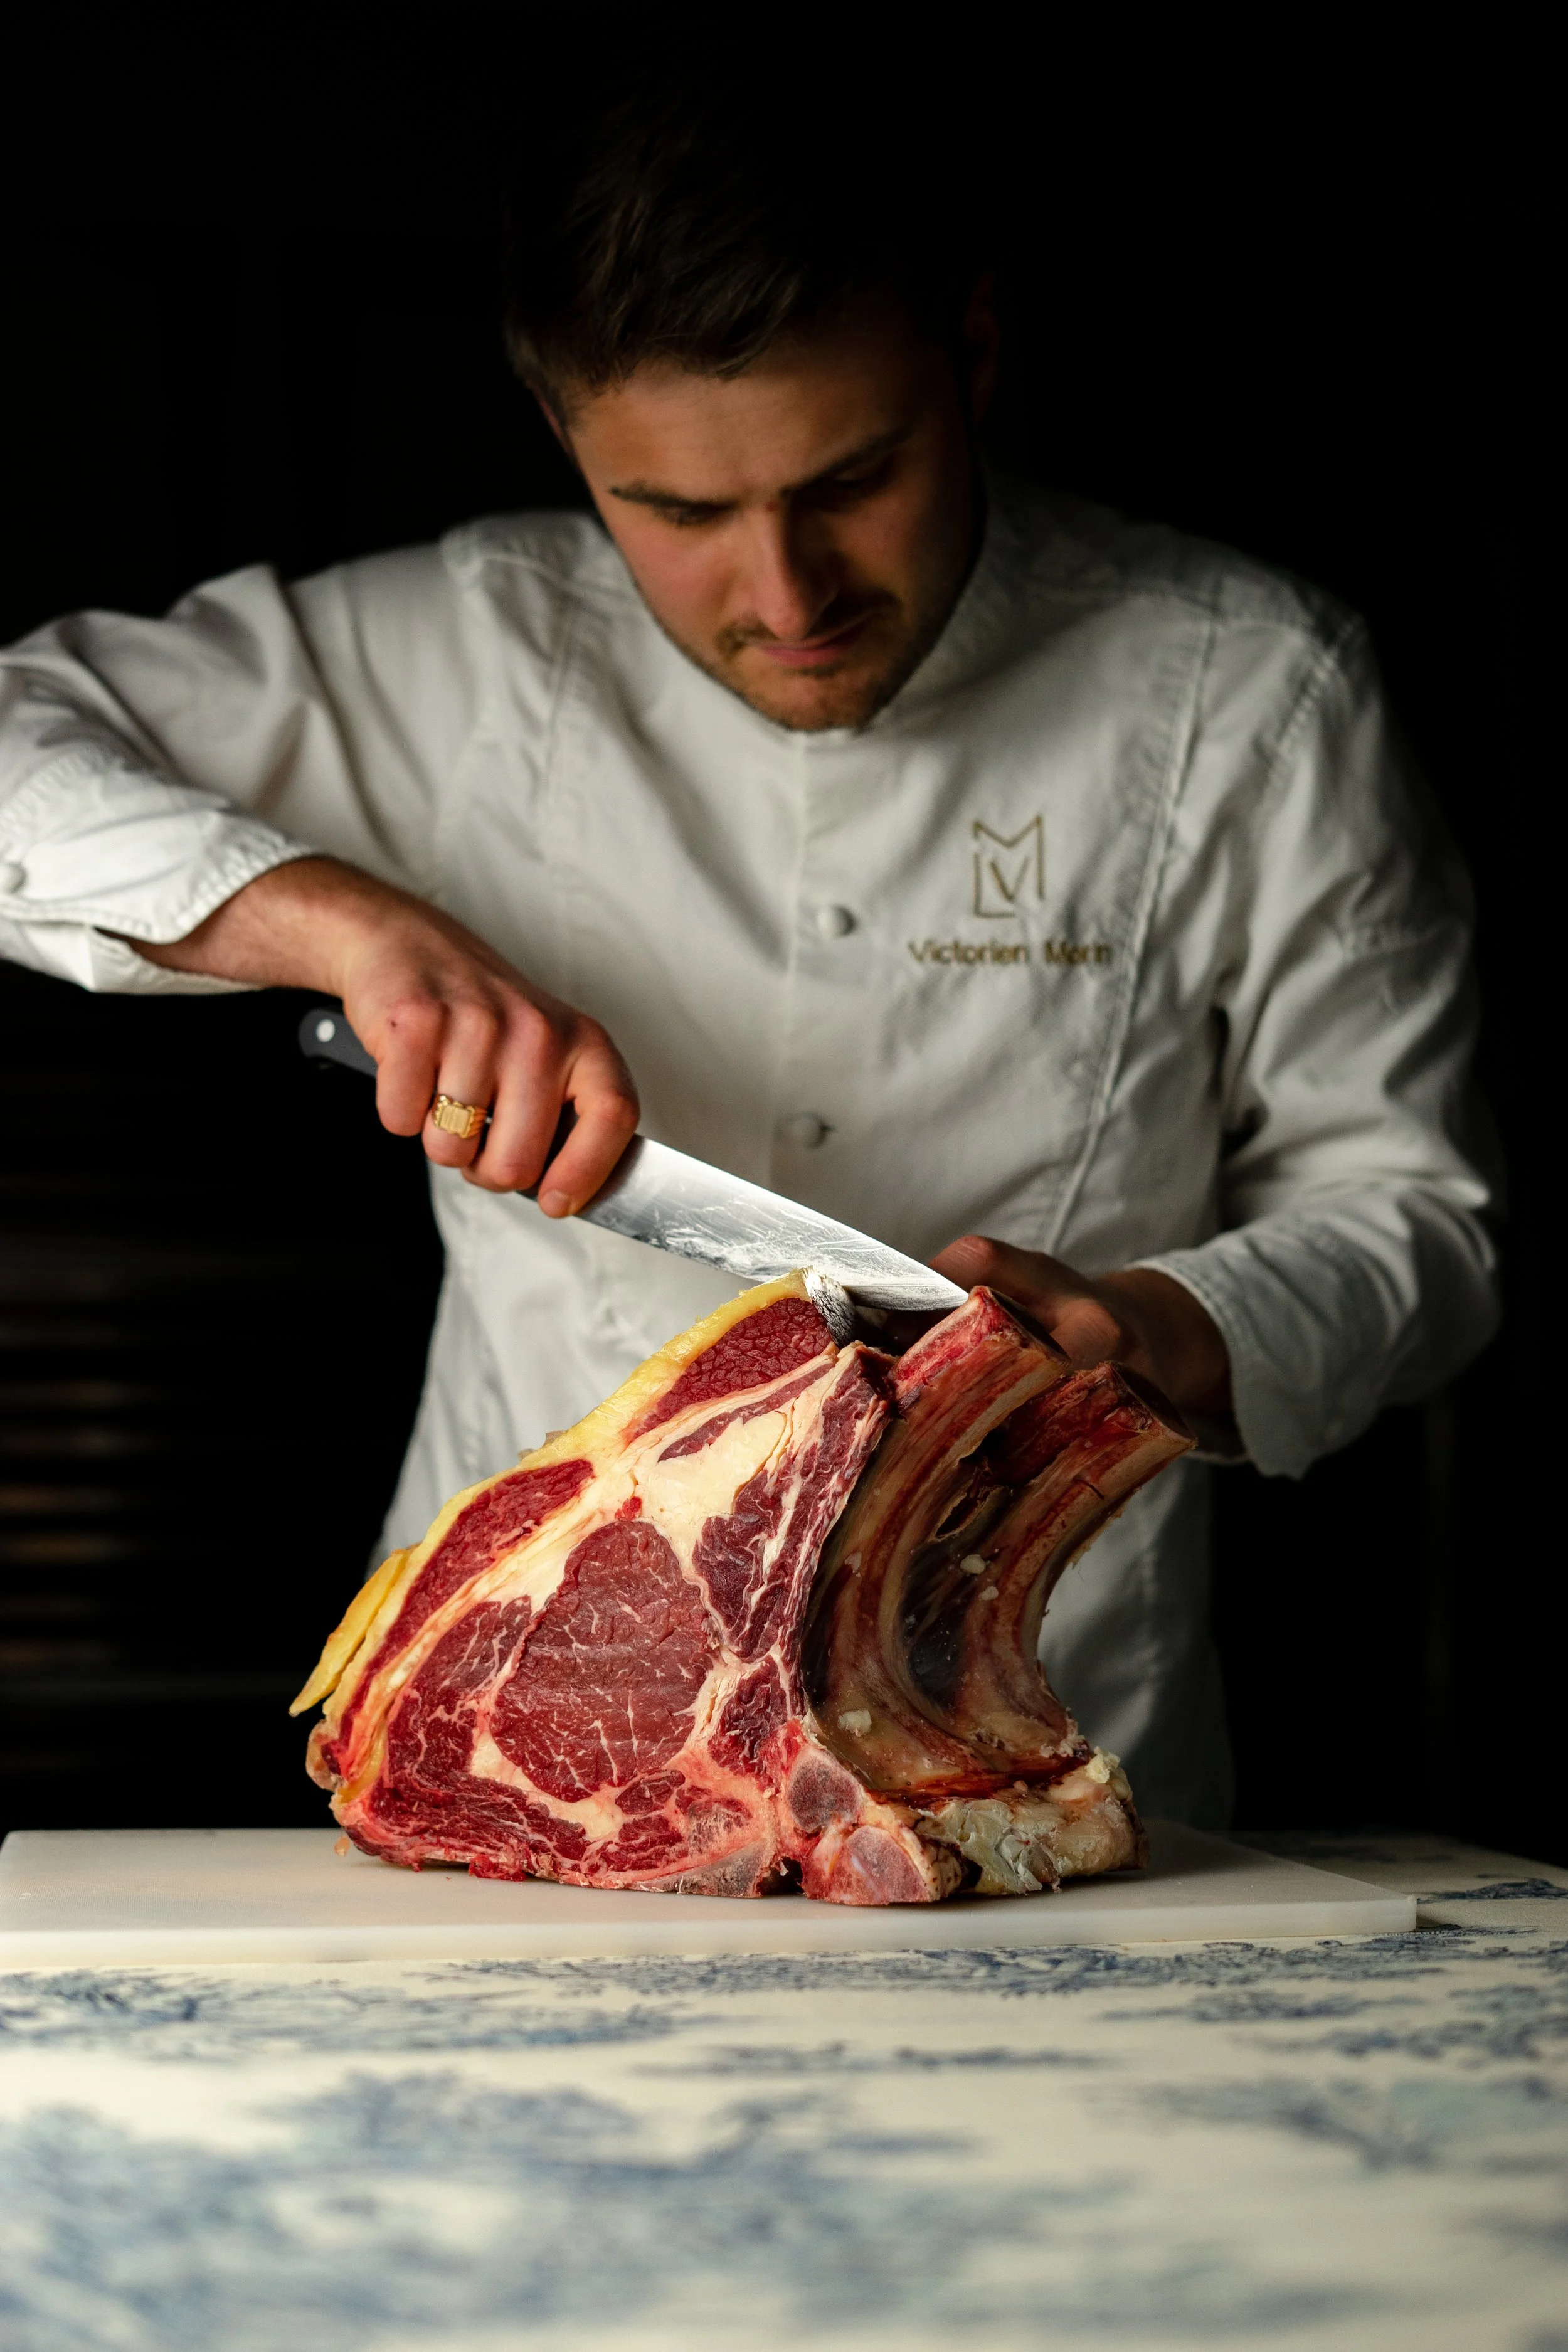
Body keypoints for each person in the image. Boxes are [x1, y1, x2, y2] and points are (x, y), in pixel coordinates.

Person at [0, 67, 1497, 1824]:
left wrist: (1157, 1325)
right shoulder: (454, 649)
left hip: (1038, 1779)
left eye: (853, 478)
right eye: (681, 514)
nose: (785, 597)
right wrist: (339, 923)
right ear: (565, 434)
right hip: (523, 1768)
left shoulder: (1247, 687)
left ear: (977, 350)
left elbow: (1420, 1221)